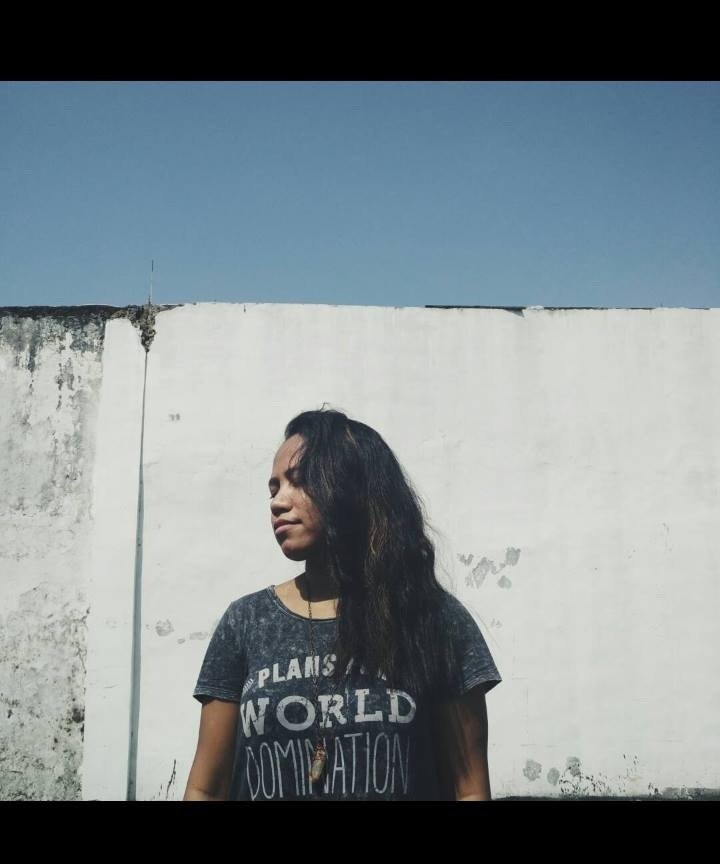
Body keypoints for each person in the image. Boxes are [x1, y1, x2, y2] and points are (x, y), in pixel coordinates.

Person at [183, 407, 502, 801]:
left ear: (352, 486)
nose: (277, 502)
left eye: (299, 481)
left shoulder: (434, 619)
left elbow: (468, 789)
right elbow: (205, 788)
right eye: (273, 488)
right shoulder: (245, 622)